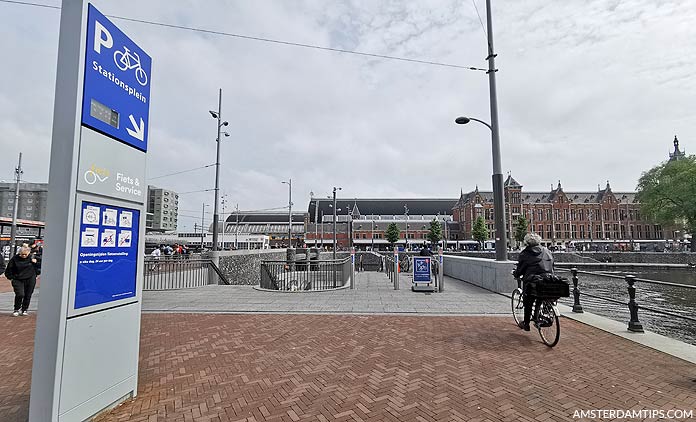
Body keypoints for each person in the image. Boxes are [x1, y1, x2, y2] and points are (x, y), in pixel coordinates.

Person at [513, 233, 554, 331]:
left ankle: (526, 324)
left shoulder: (525, 253)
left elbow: (521, 269)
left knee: (528, 301)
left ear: (526, 243)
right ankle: (537, 317)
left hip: (532, 281)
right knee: (540, 297)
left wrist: (516, 274)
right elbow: (552, 265)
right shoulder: (547, 251)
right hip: (548, 279)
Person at [4, 246, 41, 316]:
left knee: (28, 294)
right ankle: (16, 309)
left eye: (25, 254)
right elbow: (9, 269)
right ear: (19, 253)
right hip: (18, 279)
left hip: (30, 278)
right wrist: (11, 277)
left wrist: (36, 262)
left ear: (29, 253)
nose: (24, 256)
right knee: (20, 294)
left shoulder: (33, 257)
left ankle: (24, 309)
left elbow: (42, 264)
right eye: (22, 254)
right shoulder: (15, 259)